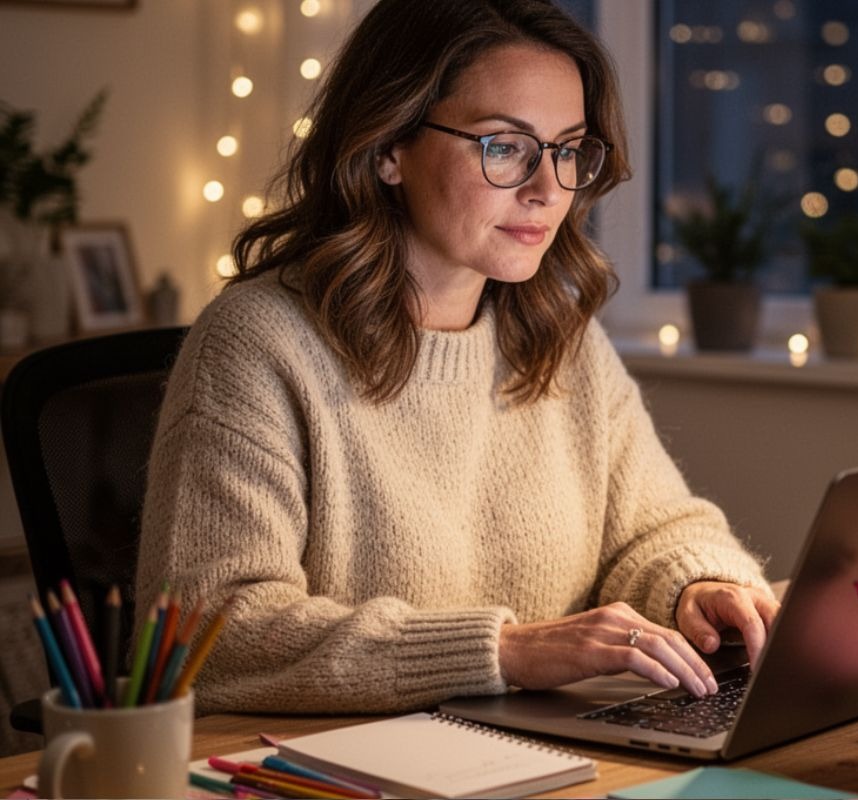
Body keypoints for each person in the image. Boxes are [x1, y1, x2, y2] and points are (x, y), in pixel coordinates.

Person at [136, 0, 778, 714]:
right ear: (388, 148)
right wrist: (503, 652)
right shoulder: (257, 344)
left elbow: (658, 529)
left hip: (535, 752)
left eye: (568, 150)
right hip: (333, 768)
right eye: (504, 147)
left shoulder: (560, 337)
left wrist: (699, 586)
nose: (547, 189)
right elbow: (212, 634)